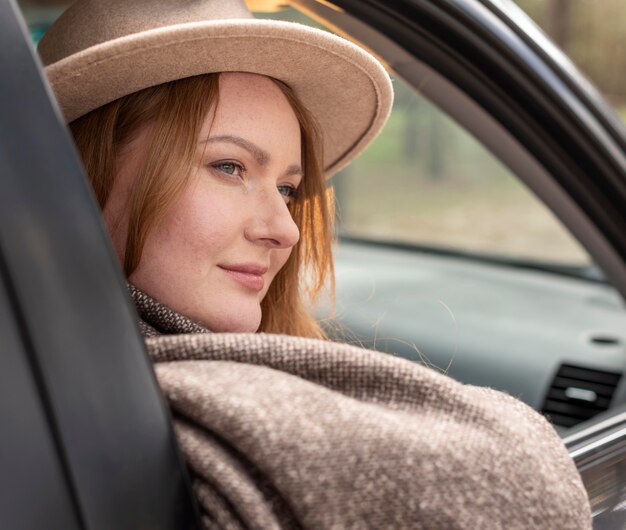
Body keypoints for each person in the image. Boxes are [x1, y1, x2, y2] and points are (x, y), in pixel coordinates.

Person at [39, 1, 592, 528]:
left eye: (287, 188)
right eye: (229, 166)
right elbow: (516, 477)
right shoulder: (93, 413)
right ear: (82, 176)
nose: (284, 228)